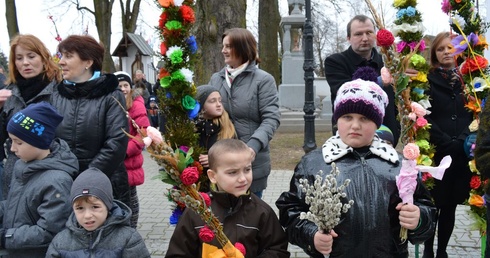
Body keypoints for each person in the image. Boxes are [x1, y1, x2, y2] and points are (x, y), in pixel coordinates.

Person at [276, 79, 436, 257]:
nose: (355, 125)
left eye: (365, 118)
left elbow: (425, 206)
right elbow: (291, 210)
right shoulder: (314, 164)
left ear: (377, 123)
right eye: (347, 117)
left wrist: (419, 219)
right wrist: (311, 234)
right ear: (337, 120)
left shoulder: (398, 165)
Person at [165, 139, 289, 257]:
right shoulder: (197, 211)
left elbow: (277, 249)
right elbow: (178, 253)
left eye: (247, 169)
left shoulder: (261, 212)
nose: (242, 178)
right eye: (232, 172)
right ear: (213, 176)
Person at [49, 35, 131, 207]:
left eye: (68, 56)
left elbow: (116, 142)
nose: (61, 62)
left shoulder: (111, 95)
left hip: (103, 183)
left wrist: (87, 177)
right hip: (63, 183)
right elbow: (49, 138)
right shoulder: (56, 95)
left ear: (88, 62)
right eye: (61, 56)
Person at [208, 27, 280, 198]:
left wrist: (252, 147)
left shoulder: (263, 80)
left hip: (250, 164)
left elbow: (271, 118)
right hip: (222, 164)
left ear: (242, 48)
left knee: (249, 218)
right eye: (223, 46)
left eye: (228, 46)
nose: (223, 50)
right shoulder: (215, 79)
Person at [0, 102, 79, 257]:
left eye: (19, 142)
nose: (12, 148)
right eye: (11, 141)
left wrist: (5, 237)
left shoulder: (57, 181)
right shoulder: (23, 166)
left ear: (39, 141)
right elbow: (15, 204)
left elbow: (49, 231)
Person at [422, 32, 473, 258]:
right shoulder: (427, 80)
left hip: (460, 152)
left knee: (450, 205)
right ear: (434, 54)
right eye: (440, 49)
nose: (446, 52)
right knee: (433, 205)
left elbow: (475, 115)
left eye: (450, 48)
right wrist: (443, 139)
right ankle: (427, 250)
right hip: (436, 150)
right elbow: (422, 114)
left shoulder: (470, 79)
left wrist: (461, 139)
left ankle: (442, 250)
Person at [0, 34, 62, 200]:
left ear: (43, 58)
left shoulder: (59, 91)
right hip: (14, 177)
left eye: (31, 56)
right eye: (19, 58)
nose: (25, 62)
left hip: (50, 176)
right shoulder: (9, 94)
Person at [324, 14, 401, 146]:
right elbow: (347, 91)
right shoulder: (335, 62)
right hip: (351, 136)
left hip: (386, 135)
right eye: (358, 34)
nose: (365, 38)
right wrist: (381, 81)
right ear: (348, 38)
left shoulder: (389, 63)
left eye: (369, 32)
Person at [46, 167, 150, 257]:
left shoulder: (128, 238)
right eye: (80, 208)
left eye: (95, 207)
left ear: (108, 206)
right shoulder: (60, 242)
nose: (87, 215)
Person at [114, 71, 150, 228]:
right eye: (119, 85)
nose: (123, 88)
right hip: (114, 159)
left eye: (125, 85)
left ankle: (132, 228)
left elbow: (142, 133)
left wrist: (125, 150)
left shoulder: (136, 104)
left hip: (129, 158)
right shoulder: (111, 103)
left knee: (130, 198)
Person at [195, 84, 236, 169]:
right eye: (212, 101)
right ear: (201, 107)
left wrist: (214, 160)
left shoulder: (227, 128)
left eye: (220, 101)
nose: (218, 104)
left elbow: (236, 155)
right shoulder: (193, 129)